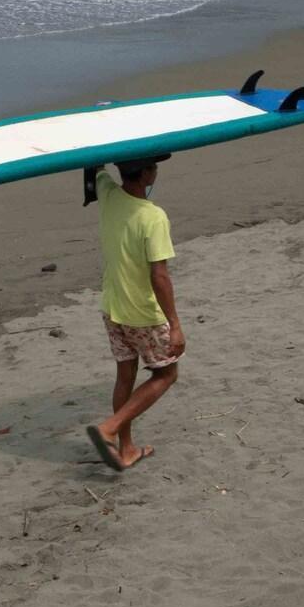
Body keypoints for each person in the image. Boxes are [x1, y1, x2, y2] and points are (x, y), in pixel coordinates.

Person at [83, 156, 181, 473]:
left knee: (126, 375)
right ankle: (108, 428)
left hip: (112, 308)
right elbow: (160, 276)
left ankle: (126, 449)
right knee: (166, 374)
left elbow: (94, 169)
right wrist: (175, 325)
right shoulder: (152, 217)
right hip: (142, 312)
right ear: (148, 174)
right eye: (154, 164)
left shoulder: (109, 195)